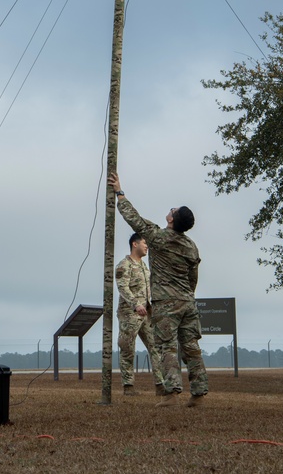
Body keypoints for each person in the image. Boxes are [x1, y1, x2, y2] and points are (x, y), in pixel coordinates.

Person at [109, 171, 208, 407]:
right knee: (192, 347)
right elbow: (193, 276)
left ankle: (172, 394)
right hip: (187, 302)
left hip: (166, 304)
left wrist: (120, 193)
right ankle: (199, 394)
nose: (170, 210)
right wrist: (188, 295)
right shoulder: (191, 246)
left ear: (172, 219)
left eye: (173, 211)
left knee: (167, 347)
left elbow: (135, 220)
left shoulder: (158, 238)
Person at [115, 232, 166, 396]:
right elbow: (123, 288)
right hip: (129, 314)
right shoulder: (124, 265)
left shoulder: (144, 266)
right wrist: (135, 304)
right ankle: (128, 387)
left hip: (146, 315)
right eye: (144, 243)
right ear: (134, 244)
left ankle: (161, 385)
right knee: (127, 349)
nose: (147, 247)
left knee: (155, 348)